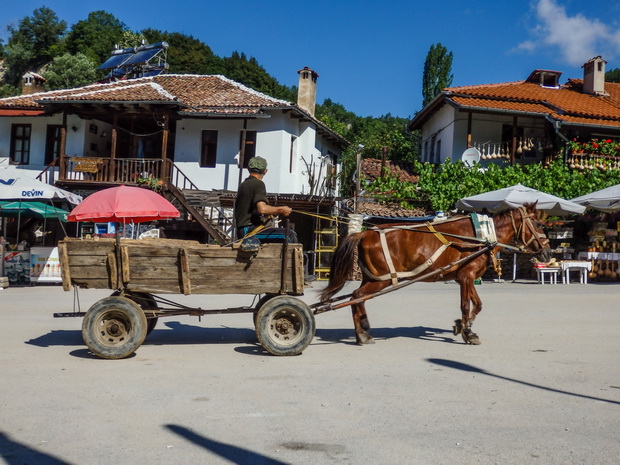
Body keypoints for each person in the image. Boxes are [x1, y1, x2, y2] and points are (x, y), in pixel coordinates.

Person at [234, 156, 297, 243]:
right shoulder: (258, 184)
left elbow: (251, 211)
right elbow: (262, 209)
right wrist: (281, 209)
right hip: (249, 232)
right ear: (265, 171)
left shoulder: (243, 184)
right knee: (289, 235)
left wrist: (272, 212)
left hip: (243, 230)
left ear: (248, 169)